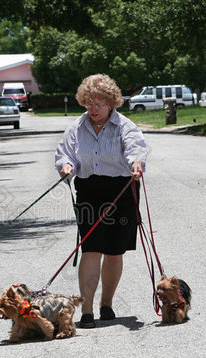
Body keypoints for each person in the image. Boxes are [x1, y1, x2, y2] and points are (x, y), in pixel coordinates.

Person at [55, 74, 148, 328]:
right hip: (90, 192)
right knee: (91, 248)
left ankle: (106, 304)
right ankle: (86, 310)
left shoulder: (125, 126)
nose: (92, 110)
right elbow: (66, 153)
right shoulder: (76, 127)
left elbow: (135, 149)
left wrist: (136, 163)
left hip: (121, 190)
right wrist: (65, 166)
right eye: (88, 104)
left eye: (98, 105)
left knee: (115, 251)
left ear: (111, 104)